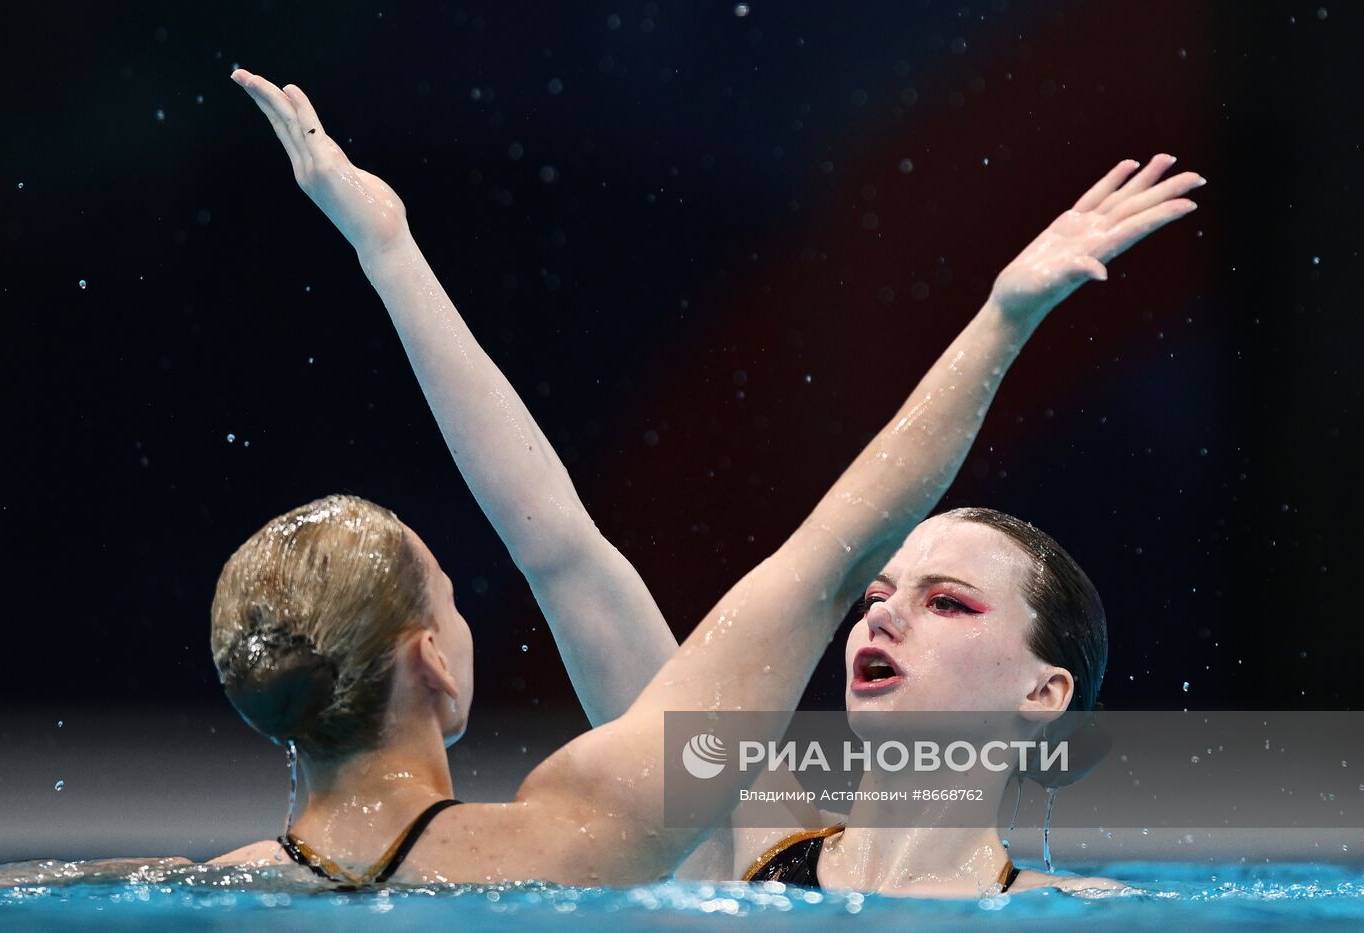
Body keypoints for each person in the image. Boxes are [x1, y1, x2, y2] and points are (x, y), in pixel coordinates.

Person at [219, 68, 1203, 894]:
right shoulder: (731, 823)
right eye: (873, 593)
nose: (880, 618)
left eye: (946, 603)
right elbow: (559, 550)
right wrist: (389, 253)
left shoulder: (1094, 913)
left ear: (1044, 692)